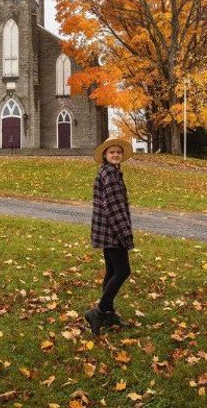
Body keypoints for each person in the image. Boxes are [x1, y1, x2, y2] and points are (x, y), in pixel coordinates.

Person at [84, 137, 135, 334]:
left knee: (112, 271)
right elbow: (114, 208)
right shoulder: (111, 175)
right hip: (113, 232)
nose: (115, 155)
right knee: (122, 271)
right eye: (112, 152)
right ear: (105, 155)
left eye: (118, 152)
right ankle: (98, 311)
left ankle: (108, 313)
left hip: (106, 230)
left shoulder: (108, 172)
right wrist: (125, 234)